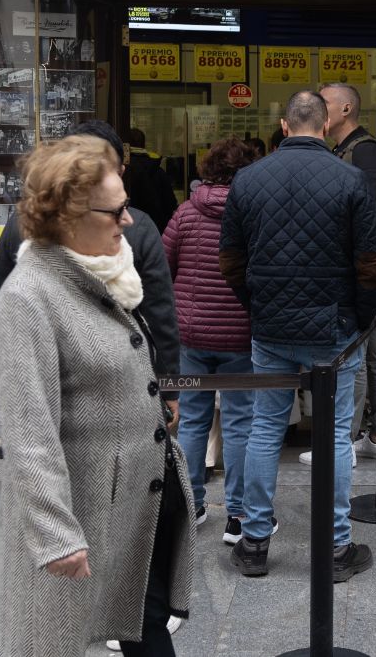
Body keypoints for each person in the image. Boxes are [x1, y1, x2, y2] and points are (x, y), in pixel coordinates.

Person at [0, 136, 193, 657]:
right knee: (47, 640)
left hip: (135, 502)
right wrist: (56, 534)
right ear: (69, 215)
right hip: (81, 511)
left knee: (144, 625)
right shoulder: (29, 298)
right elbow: (27, 433)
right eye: (117, 209)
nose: (129, 221)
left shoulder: (107, 273)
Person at [219, 91, 376, 581]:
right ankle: (335, 547)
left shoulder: (248, 180)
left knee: (265, 429)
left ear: (284, 125)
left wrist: (258, 306)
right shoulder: (351, 178)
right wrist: (360, 320)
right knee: (333, 433)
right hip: (334, 327)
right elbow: (370, 265)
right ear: (327, 121)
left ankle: (254, 543)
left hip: (271, 326)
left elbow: (230, 262)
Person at [0, 120, 181, 425]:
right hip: (104, 393)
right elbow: (160, 314)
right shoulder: (141, 229)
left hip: (67, 392)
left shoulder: (20, 223)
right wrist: (168, 383)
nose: (125, 221)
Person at [163, 138, 258, 542]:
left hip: (192, 334)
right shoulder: (256, 214)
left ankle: (192, 505)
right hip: (240, 334)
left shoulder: (185, 213)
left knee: (192, 420)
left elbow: (162, 268)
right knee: (239, 424)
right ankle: (238, 515)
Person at [319, 82, 376, 463]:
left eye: (326, 103)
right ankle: (371, 437)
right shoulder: (342, 150)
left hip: (368, 268)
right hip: (358, 265)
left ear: (346, 109)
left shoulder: (368, 153)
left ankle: (349, 442)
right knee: (368, 354)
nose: (319, 109)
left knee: (361, 352)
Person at [122, 127, 180, 232]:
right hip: (156, 229)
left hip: (126, 230)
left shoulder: (122, 171)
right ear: (143, 145)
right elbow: (170, 204)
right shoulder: (158, 170)